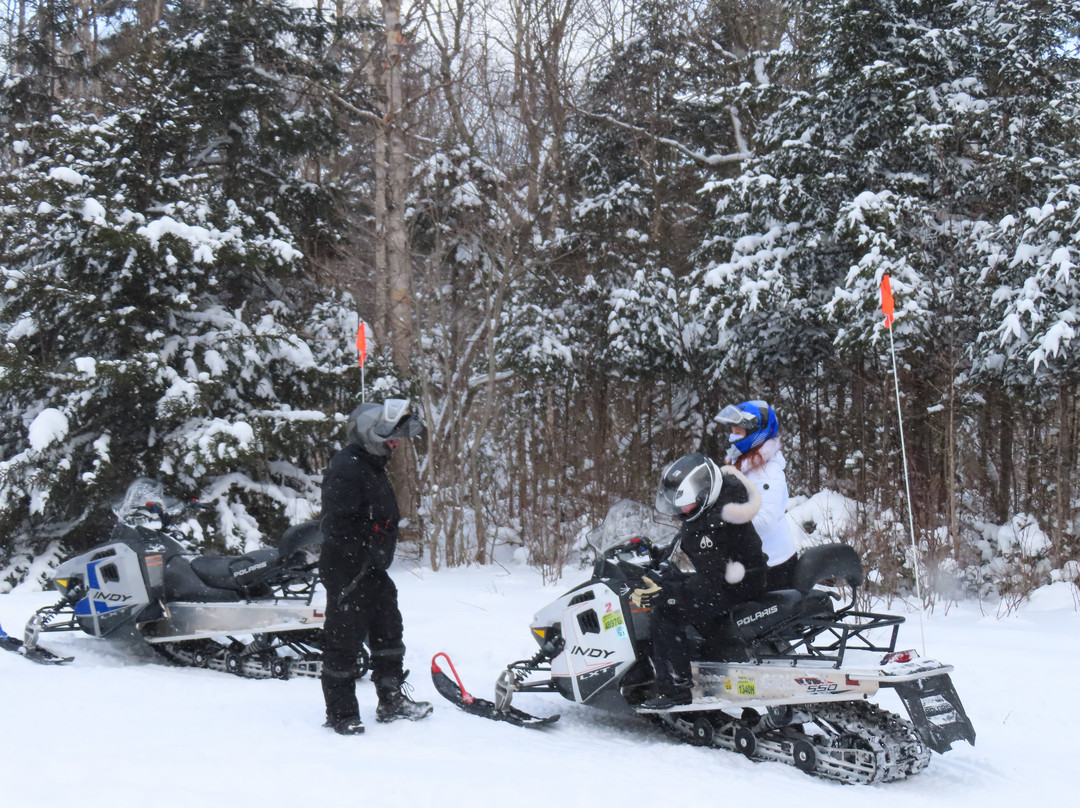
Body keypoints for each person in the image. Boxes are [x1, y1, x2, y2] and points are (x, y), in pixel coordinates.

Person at [319, 398, 432, 735]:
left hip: (372, 569)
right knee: (344, 641)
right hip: (348, 570)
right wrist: (360, 558)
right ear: (371, 433)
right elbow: (338, 525)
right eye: (390, 437)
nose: (395, 443)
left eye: (397, 437)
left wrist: (375, 557)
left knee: (389, 632)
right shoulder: (347, 466)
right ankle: (341, 714)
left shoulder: (371, 464)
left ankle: (391, 699)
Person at [633, 452, 767, 709]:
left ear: (703, 494)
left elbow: (711, 584)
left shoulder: (712, 527)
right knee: (675, 589)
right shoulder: (719, 502)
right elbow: (689, 540)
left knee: (665, 612)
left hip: (737, 587)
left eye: (683, 504)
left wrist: (669, 592)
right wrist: (658, 554)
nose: (679, 511)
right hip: (743, 577)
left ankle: (676, 688)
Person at [716, 399, 798, 591]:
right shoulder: (744, 464)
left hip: (774, 565)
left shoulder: (767, 473)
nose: (732, 437)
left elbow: (764, 521)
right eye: (732, 432)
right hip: (751, 561)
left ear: (755, 433)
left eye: (738, 432)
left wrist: (723, 527)